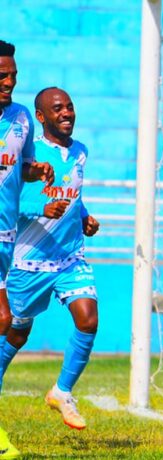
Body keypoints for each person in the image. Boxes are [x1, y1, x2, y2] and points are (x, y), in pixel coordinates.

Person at [1, 87, 100, 431]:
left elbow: (74, 197)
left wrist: (84, 217)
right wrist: (42, 208)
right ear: (41, 117)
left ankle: (62, 391)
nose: (66, 113)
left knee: (88, 319)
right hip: (29, 261)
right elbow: (11, 205)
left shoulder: (81, 152)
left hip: (69, 257)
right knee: (16, 334)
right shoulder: (32, 156)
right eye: (57, 109)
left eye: (69, 107)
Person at [0, 40, 54, 458]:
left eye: (13, 76)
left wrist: (38, 169)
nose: (10, 82)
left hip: (6, 237)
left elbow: (24, 167)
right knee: (4, 318)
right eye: (2, 76)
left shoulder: (21, 118)